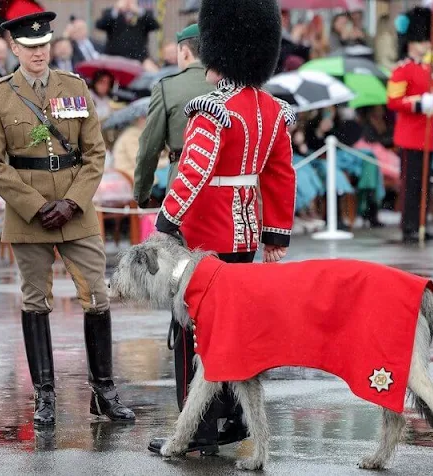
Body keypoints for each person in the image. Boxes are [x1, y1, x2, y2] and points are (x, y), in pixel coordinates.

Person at [149, 0, 296, 454]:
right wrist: (274, 236)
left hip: (204, 234)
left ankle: (199, 428)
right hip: (245, 233)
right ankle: (233, 418)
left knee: (195, 333)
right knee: (234, 327)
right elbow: (280, 175)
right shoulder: (272, 109)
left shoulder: (213, 110)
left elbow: (193, 170)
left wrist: (167, 220)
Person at [0, 11, 135, 426]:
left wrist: (72, 202)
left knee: (98, 296)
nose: (38, 53)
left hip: (75, 208)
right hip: (28, 214)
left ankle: (103, 392)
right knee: (35, 300)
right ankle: (44, 396)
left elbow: (94, 153)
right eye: (29, 47)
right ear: (14, 47)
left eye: (44, 45)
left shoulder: (74, 87)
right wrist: (34, 205)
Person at [133, 24, 214, 208]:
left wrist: (142, 193)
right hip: (228, 185)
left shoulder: (167, 87)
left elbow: (149, 147)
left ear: (185, 52)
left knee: (184, 236)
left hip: (183, 181)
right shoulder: (232, 83)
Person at [387, 7, 433, 243]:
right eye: (421, 41)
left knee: (424, 186)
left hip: (427, 136)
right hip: (410, 137)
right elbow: (393, 101)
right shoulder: (402, 70)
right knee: (411, 185)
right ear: (411, 42)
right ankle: (409, 225)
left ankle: (421, 223)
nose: (425, 45)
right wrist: (419, 104)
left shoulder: (427, 69)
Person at [95, 0, 160, 62]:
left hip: (139, 58)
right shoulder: (111, 12)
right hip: (114, 57)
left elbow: (155, 26)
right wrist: (116, 10)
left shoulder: (143, 13)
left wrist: (139, 11)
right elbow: (99, 25)